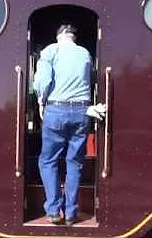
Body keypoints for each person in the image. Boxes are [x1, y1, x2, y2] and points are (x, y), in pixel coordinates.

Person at [33, 24, 105, 226]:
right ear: (73, 37)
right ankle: (71, 212)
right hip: (82, 112)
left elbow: (43, 81)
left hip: (56, 110)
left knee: (48, 161)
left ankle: (54, 210)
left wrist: (41, 102)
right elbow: (91, 80)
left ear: (59, 37)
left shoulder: (50, 51)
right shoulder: (85, 53)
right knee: (75, 163)